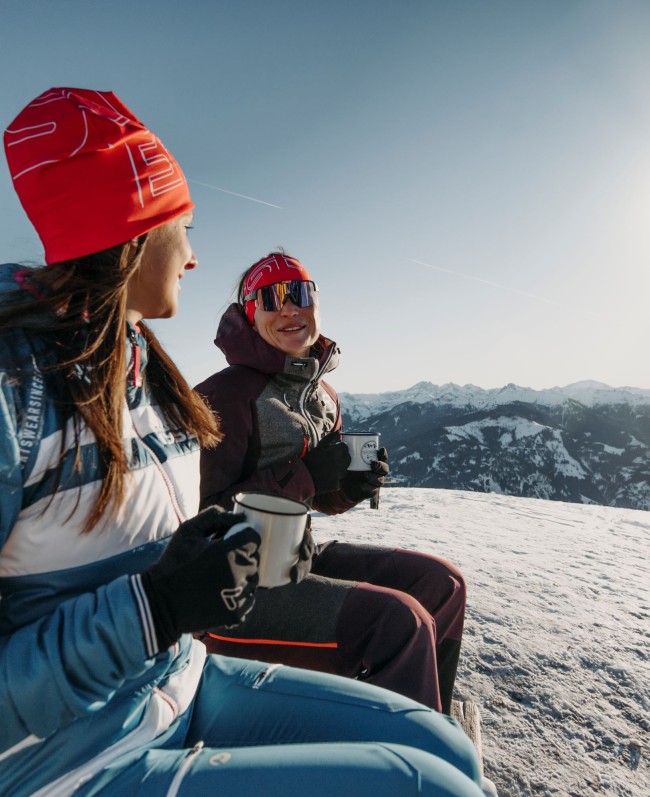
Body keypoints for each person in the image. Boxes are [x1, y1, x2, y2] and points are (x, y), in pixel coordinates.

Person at [0, 87, 485, 797]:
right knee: (432, 780)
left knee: (443, 749)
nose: (194, 258)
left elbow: (172, 532)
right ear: (137, 225)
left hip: (179, 675)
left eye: (303, 294)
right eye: (184, 226)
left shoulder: (145, 376)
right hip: (76, 756)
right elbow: (181, 557)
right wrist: (158, 608)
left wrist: (336, 484)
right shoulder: (24, 388)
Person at [195, 252, 467, 713]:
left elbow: (318, 497)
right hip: (225, 590)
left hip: (297, 559)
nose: (289, 308)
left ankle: (427, 722)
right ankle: (399, 768)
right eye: (271, 297)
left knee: (442, 583)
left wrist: (349, 487)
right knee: (399, 623)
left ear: (317, 303)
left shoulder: (321, 395)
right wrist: (302, 475)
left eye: (299, 292)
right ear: (249, 313)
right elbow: (199, 520)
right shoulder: (221, 396)